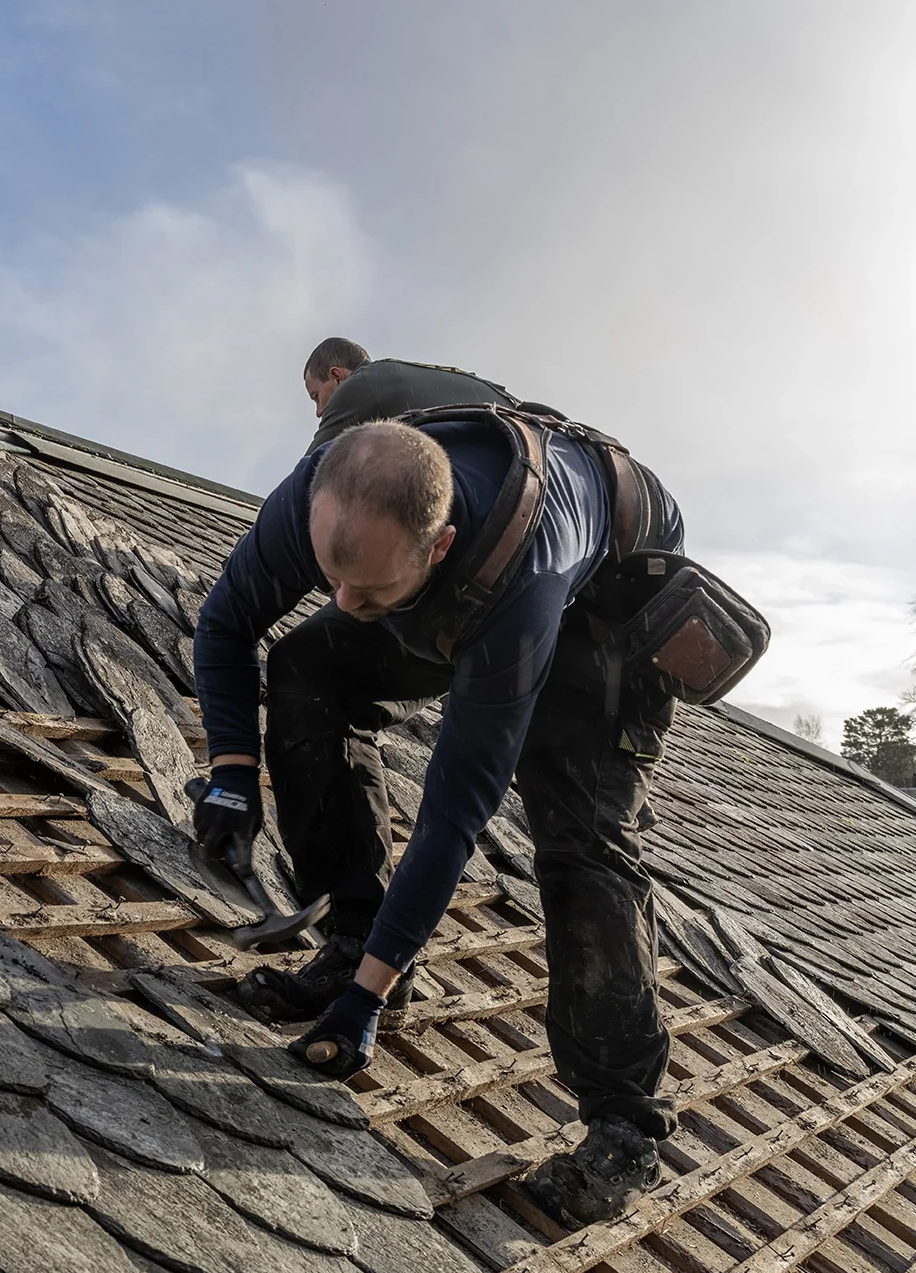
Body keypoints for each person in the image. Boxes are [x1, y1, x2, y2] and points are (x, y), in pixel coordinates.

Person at [191, 407, 686, 1228]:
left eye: (373, 586)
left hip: (606, 606)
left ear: (438, 545)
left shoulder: (520, 578)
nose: (344, 600)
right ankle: (352, 936)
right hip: (465, 582)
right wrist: (230, 777)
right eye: (331, 577)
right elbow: (225, 622)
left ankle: (624, 1124)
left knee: (581, 837)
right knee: (308, 661)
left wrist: (365, 1005)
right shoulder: (320, 496)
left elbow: (453, 813)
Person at [301, 337, 516, 452]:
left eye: (316, 396)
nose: (319, 411)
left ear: (337, 376)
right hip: (539, 469)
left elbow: (306, 473)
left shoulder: (360, 385)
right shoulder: (397, 374)